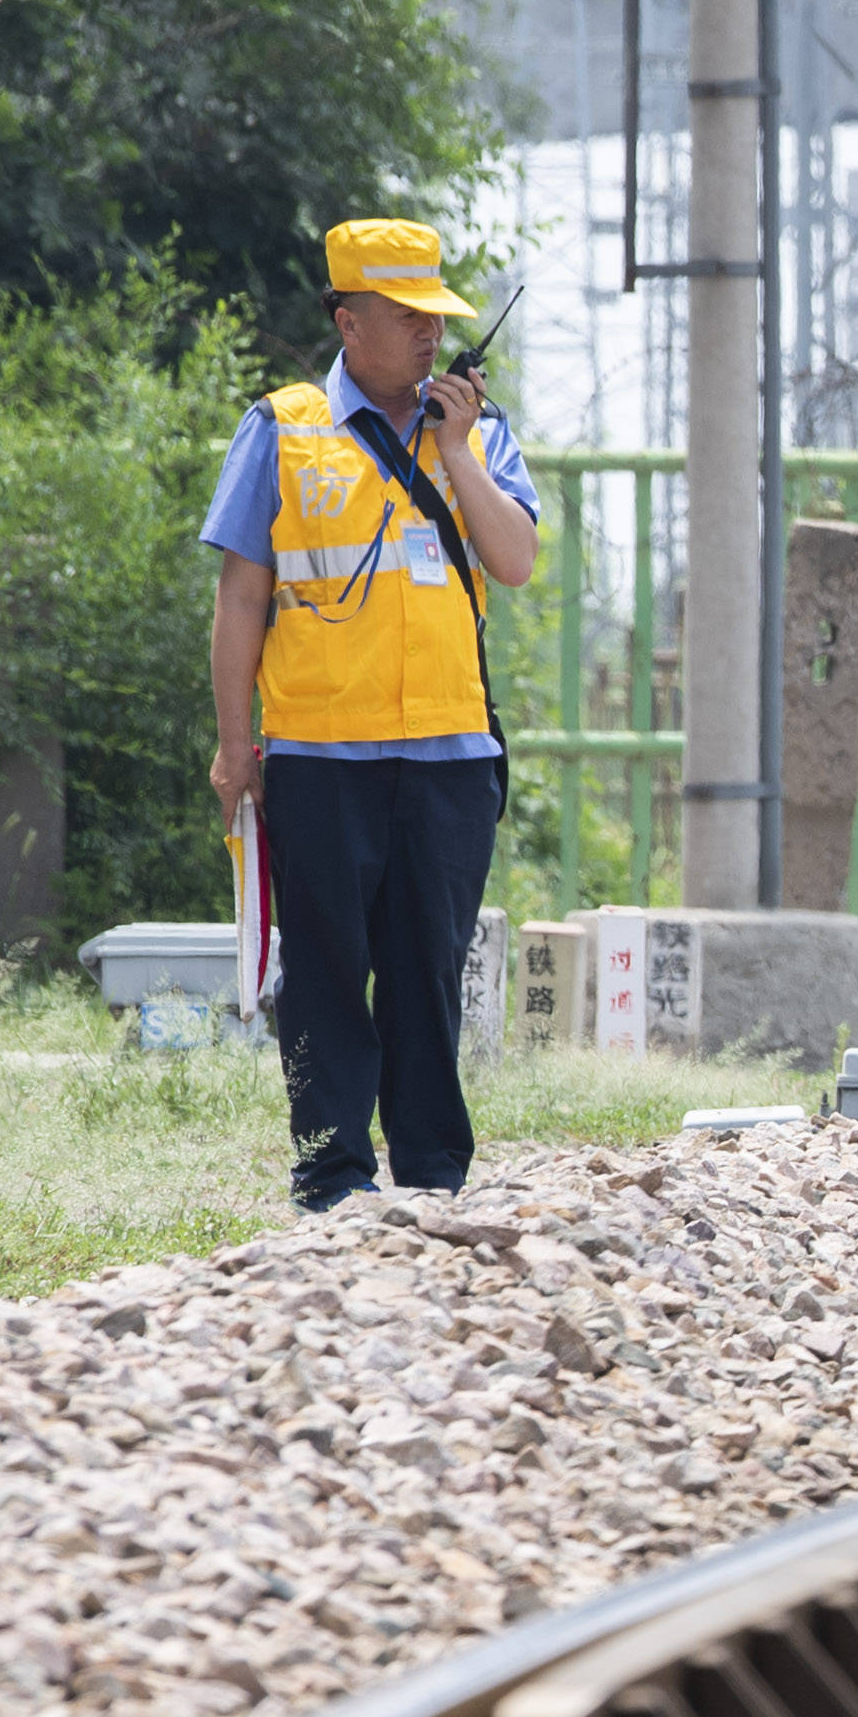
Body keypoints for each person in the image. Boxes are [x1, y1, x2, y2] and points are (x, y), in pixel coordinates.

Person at [204, 219, 542, 1210]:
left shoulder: (478, 433)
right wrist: (236, 744)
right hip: (319, 755)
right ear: (349, 321)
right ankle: (332, 1173)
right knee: (320, 974)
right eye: (408, 319)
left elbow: (515, 561)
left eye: (437, 318)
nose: (432, 337)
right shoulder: (282, 430)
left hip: (448, 757)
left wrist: (458, 449)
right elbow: (239, 599)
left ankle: (433, 1172)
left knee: (426, 972)